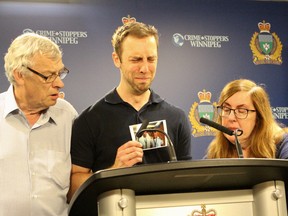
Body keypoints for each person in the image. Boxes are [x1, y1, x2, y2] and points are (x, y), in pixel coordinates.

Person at [68, 21, 192, 201]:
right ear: (116, 59)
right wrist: (113, 171)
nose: (144, 68)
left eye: (151, 59)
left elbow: (187, 180)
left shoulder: (176, 117)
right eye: (136, 60)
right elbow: (73, 188)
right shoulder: (90, 120)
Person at [0, 33, 78, 216]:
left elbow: (79, 177)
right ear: (19, 75)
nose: (59, 84)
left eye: (60, 74)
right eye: (49, 76)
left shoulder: (68, 116)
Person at [205, 79, 288, 159]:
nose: (231, 117)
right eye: (226, 109)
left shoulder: (282, 144)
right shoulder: (216, 151)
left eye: (241, 111)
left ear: (259, 117)